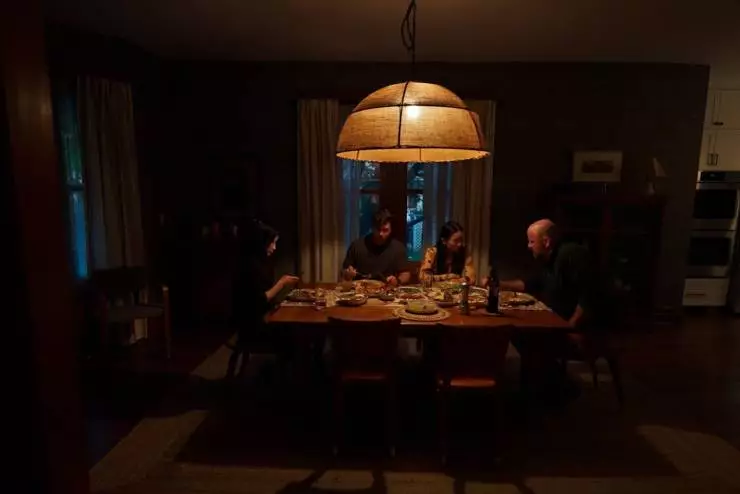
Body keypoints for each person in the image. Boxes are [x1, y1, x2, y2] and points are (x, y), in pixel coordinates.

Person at [227, 219, 299, 379]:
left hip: (255, 321)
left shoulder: (253, 263)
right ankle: (288, 377)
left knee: (295, 330)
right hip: (252, 327)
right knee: (296, 335)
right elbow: (259, 300)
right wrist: (282, 283)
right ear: (260, 243)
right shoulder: (250, 268)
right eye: (272, 243)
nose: (274, 247)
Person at [500, 219, 593, 328]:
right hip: (555, 321)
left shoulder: (571, 254)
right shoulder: (548, 259)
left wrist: (571, 326)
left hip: (576, 328)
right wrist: (500, 284)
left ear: (546, 242)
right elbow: (533, 283)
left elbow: (590, 295)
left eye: (532, 242)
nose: (529, 246)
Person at [342, 208, 411, 286]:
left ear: (391, 229)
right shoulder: (357, 245)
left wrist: (397, 281)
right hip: (360, 289)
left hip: (386, 289)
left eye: (385, 230)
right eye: (378, 229)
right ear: (372, 228)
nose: (381, 234)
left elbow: (406, 274)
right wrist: (348, 274)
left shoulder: (398, 247)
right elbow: (344, 272)